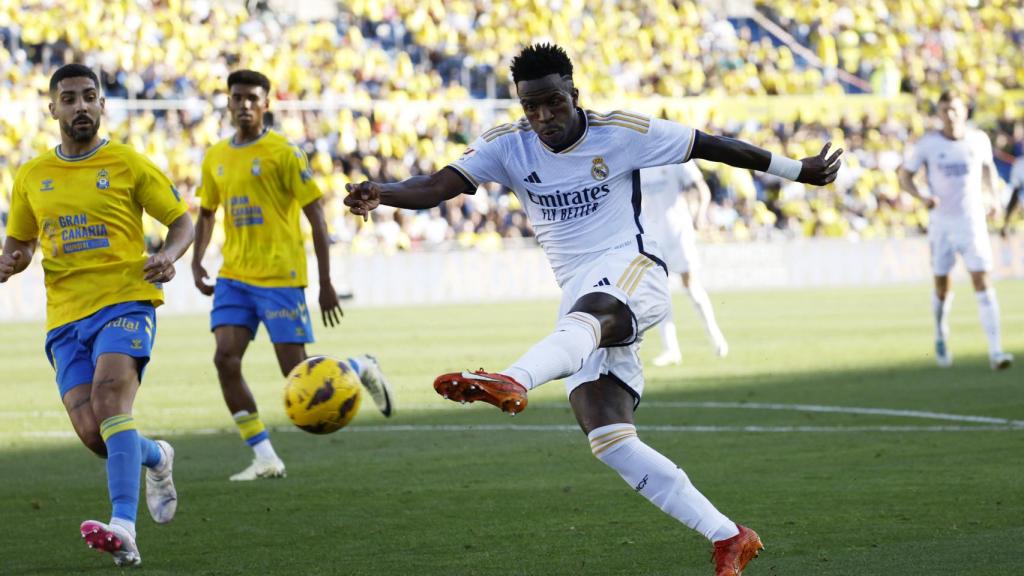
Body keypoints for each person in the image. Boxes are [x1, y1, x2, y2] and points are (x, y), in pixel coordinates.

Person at [345, 44, 842, 576]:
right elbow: (439, 184)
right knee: (608, 438)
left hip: (632, 269)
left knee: (589, 316)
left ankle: (512, 379)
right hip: (577, 294)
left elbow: (710, 145)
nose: (542, 118)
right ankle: (730, 536)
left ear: (574, 95)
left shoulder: (621, 130)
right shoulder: (507, 145)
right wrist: (385, 193)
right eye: (531, 107)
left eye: (553, 103)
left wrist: (799, 170)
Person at [0, 64, 194, 566]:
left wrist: (169, 256)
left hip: (126, 299)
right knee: (94, 432)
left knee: (111, 398)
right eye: (69, 99)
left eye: (90, 96)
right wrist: (12, 260)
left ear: (103, 104)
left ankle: (123, 527)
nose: (81, 106)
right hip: (65, 317)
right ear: (53, 109)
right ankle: (156, 455)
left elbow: (181, 221)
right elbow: (20, 242)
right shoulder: (32, 176)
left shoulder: (128, 163)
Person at [191, 70, 395, 482]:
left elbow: (315, 214)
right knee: (225, 359)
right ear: (228, 103)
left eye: (252, 97)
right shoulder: (215, 156)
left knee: (297, 376)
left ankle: (359, 366)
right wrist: (196, 261)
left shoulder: (284, 152)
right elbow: (208, 213)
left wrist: (324, 282)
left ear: (266, 104)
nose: (244, 104)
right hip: (234, 276)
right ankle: (265, 456)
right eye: (237, 97)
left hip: (281, 277)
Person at [898, 90, 1013, 370]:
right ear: (938, 113)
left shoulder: (978, 140)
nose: (949, 115)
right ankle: (940, 333)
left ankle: (996, 351)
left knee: (983, 281)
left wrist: (994, 200)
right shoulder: (928, 144)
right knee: (942, 286)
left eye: (954, 110)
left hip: (972, 222)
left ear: (965, 111)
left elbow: (987, 172)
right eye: (944, 110)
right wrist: (921, 196)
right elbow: (904, 177)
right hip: (941, 224)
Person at [640, 160, 728, 366]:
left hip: (679, 231)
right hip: (652, 234)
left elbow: (701, 188)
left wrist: (700, 214)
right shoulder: (638, 161)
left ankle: (716, 336)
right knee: (659, 291)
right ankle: (671, 349)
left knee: (691, 285)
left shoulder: (675, 158)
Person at [1000, 154, 1023, 237]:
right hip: (1019, 189)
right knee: (1014, 196)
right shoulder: (1019, 162)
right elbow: (1015, 181)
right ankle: (1005, 226)